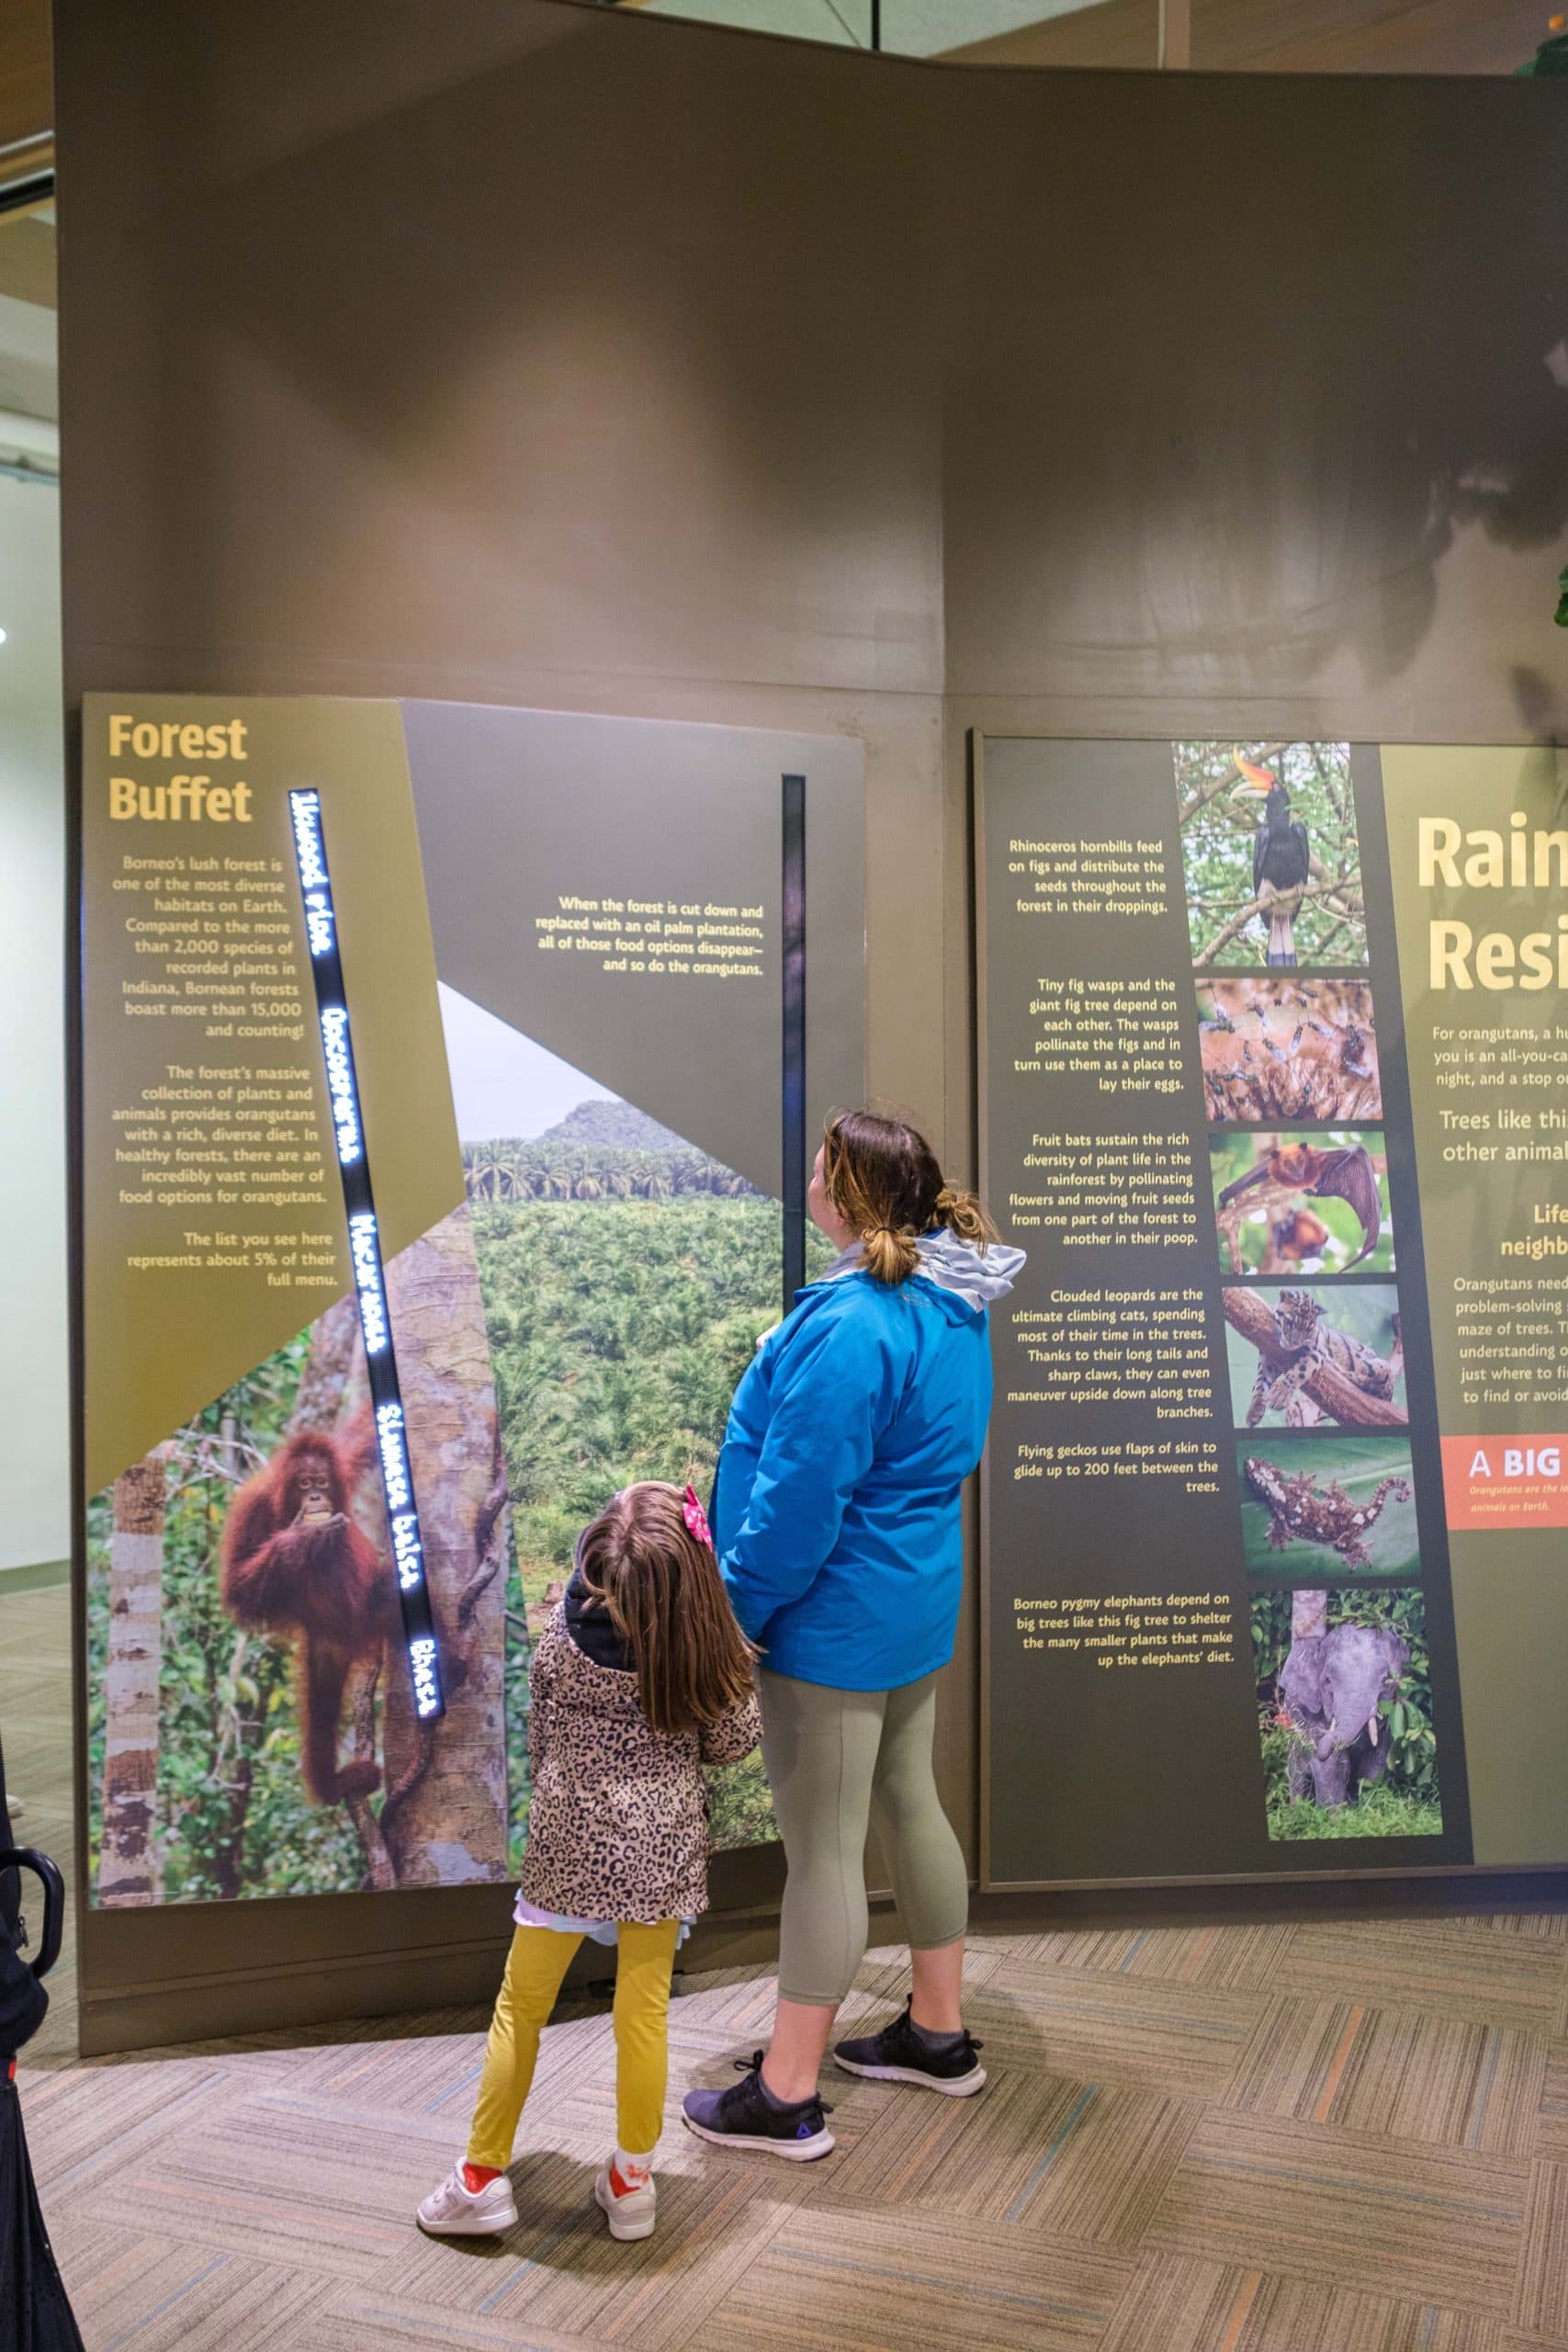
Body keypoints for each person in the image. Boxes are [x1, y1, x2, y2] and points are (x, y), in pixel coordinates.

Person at [683, 1108, 1022, 2162]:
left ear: (847, 1190)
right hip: (910, 1607)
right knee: (907, 1801)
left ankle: (786, 2094)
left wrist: (733, 1623)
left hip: (828, 1622)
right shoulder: (955, 1298)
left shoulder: (852, 1322)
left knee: (823, 1851)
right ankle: (936, 2030)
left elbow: (795, 1507)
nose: (812, 1177)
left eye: (823, 1165)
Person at [417, 1481, 761, 2243]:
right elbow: (732, 1745)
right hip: (659, 1860)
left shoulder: (555, 1644)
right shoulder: (698, 1649)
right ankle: (632, 2183)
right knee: (642, 2018)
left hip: (566, 1848)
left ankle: (478, 2178)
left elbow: (541, 1744)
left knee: (521, 2009)